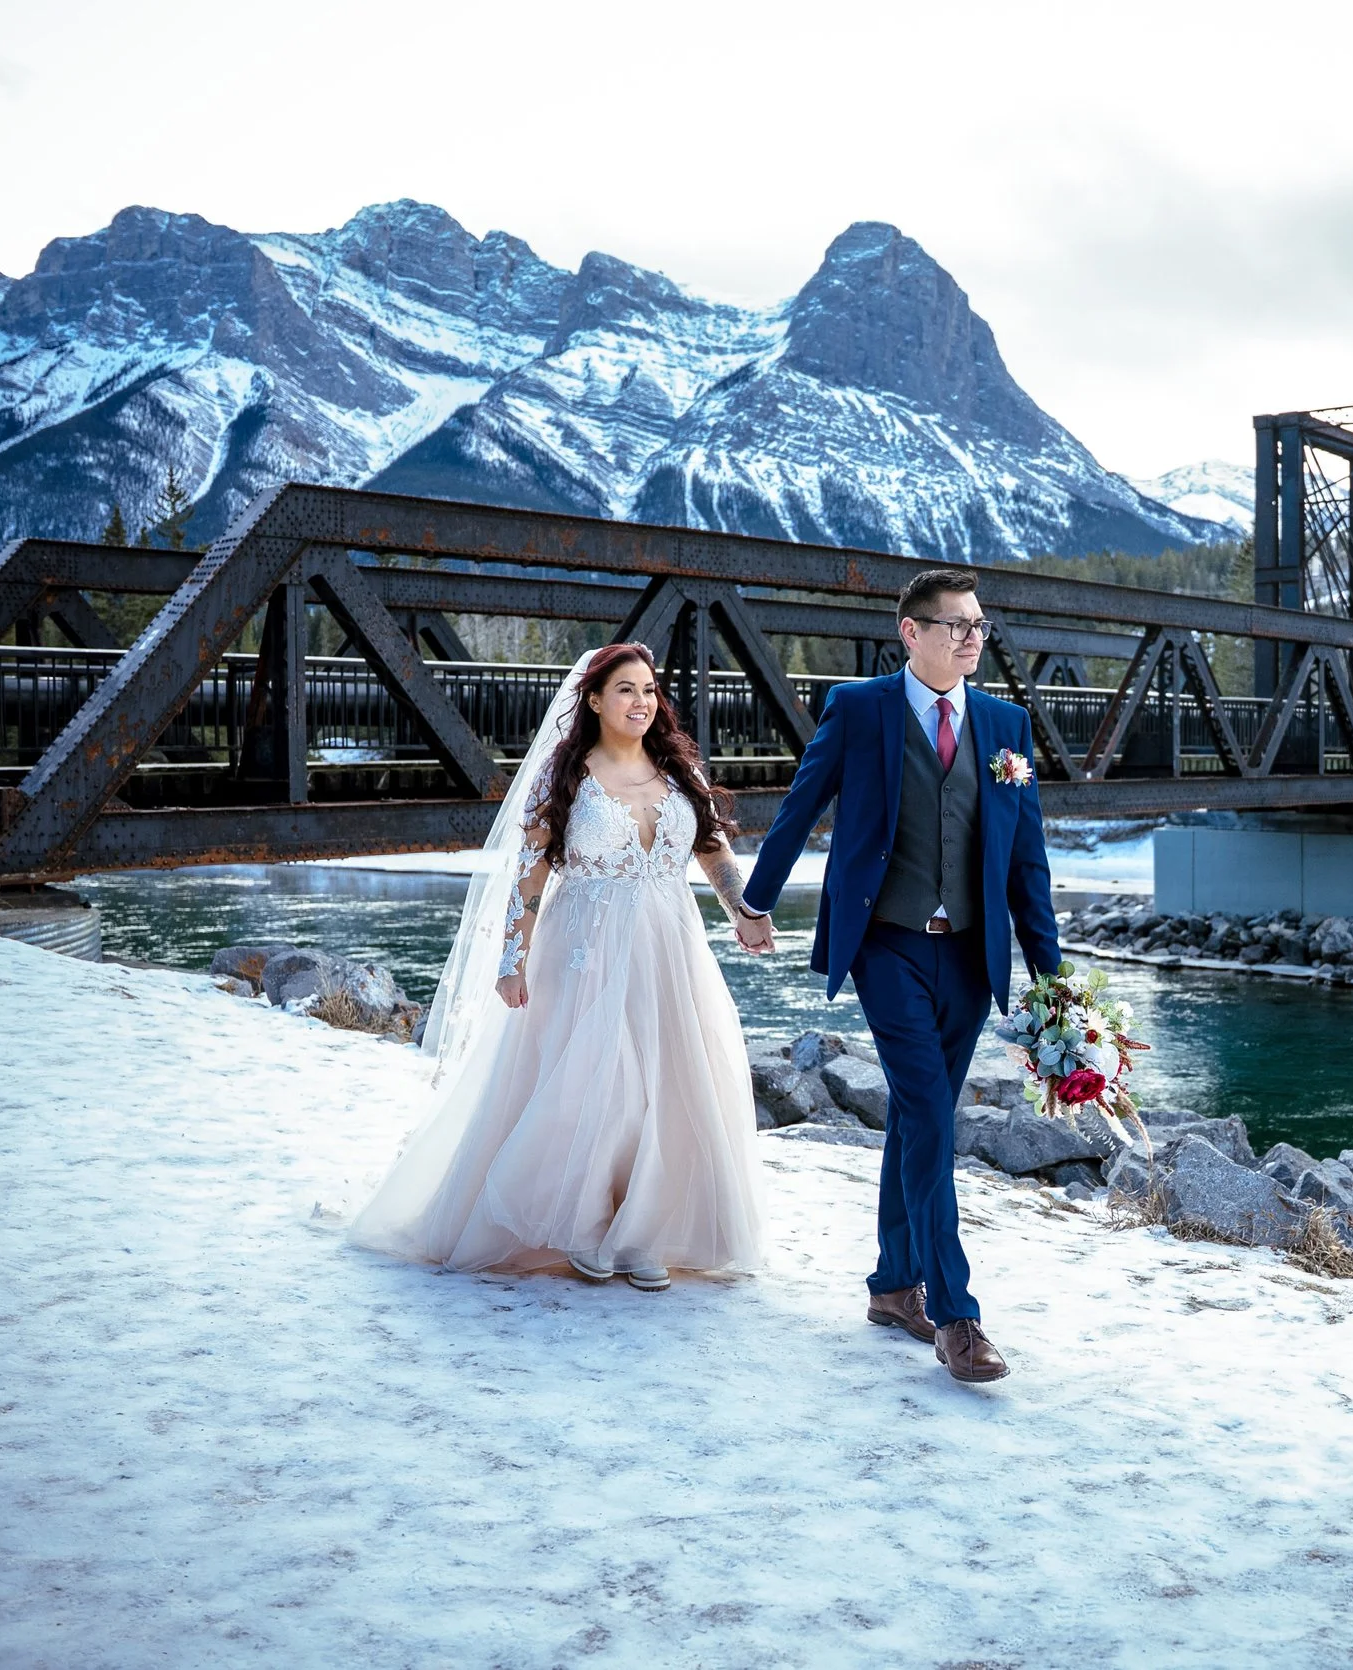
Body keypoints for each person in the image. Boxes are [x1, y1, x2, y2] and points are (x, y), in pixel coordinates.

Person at [349, 644, 772, 1288]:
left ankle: (644, 1233)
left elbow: (712, 853)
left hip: (670, 946)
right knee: (603, 1085)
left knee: (670, 1085)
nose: (641, 702)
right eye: (626, 690)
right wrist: (511, 962)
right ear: (595, 700)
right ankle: (586, 1227)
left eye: (650, 691)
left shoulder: (677, 768)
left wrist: (742, 908)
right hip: (587, 948)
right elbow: (528, 878)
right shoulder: (565, 775)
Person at [738, 568, 1059, 1383]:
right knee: (930, 1117)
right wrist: (756, 902)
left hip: (970, 959)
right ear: (910, 633)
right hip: (887, 946)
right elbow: (800, 808)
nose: (974, 638)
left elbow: (1027, 865)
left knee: (923, 1119)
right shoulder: (861, 708)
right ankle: (958, 1316)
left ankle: (891, 1286)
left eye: (981, 626)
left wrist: (1051, 984)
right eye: (957, 625)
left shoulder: (1005, 723)